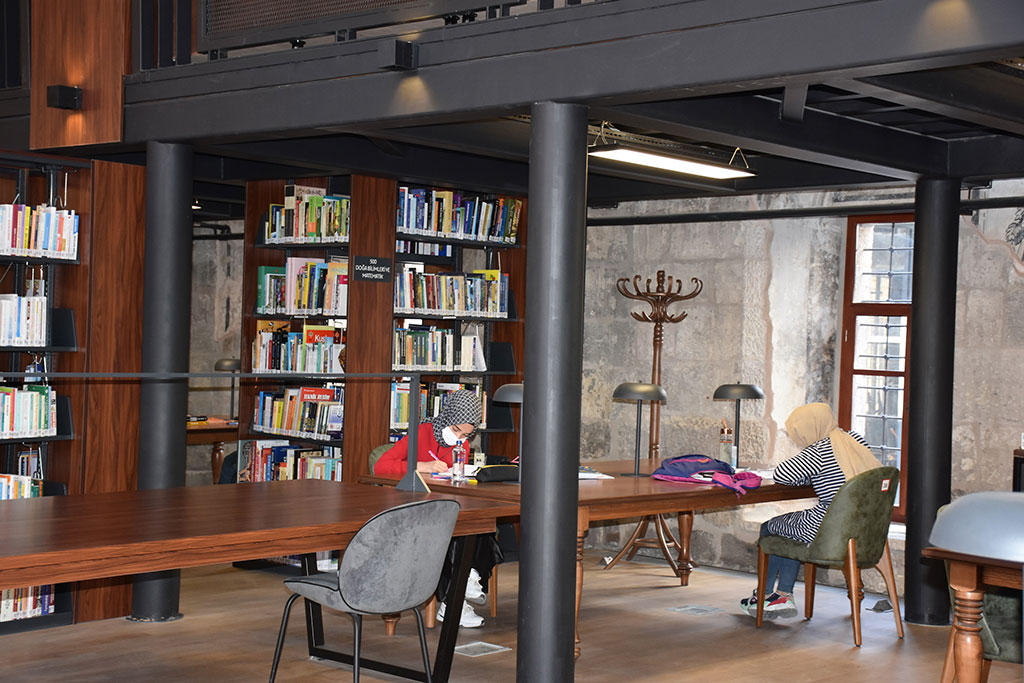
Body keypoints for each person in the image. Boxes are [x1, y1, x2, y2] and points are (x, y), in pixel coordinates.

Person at [741, 402, 881, 619]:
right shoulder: (854, 439)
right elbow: (837, 474)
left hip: (830, 529)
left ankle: (765, 595)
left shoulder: (819, 450)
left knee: (770, 527)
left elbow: (782, 474)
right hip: (864, 527)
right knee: (790, 527)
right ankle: (781, 596)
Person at [374, 390, 500, 628]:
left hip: (447, 503)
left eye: (466, 434)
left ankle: (462, 587)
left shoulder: (462, 444)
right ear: (448, 418)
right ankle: (458, 594)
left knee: (482, 527)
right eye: (456, 430)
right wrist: (421, 466)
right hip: (415, 507)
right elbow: (381, 466)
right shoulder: (422, 433)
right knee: (449, 532)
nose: (459, 438)